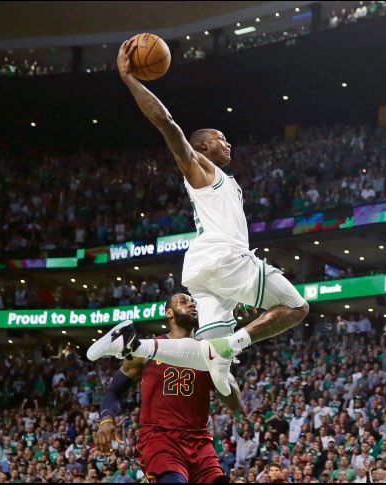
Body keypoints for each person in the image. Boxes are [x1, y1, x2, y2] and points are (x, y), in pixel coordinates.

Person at [88, 38, 309, 396]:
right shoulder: (200, 167)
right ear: (203, 146)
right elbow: (167, 124)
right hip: (225, 256)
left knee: (207, 356)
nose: (228, 144)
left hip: (202, 270)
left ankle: (132, 343)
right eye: (221, 139)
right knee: (297, 308)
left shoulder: (221, 180)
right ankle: (233, 346)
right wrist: (131, 79)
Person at [94, 293, 239, 483]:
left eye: (193, 302)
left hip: (200, 442)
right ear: (169, 313)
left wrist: (221, 371)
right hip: (160, 439)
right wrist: (106, 419)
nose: (191, 304)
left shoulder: (210, 350)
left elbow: (234, 403)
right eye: (183, 301)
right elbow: (113, 391)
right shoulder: (146, 350)